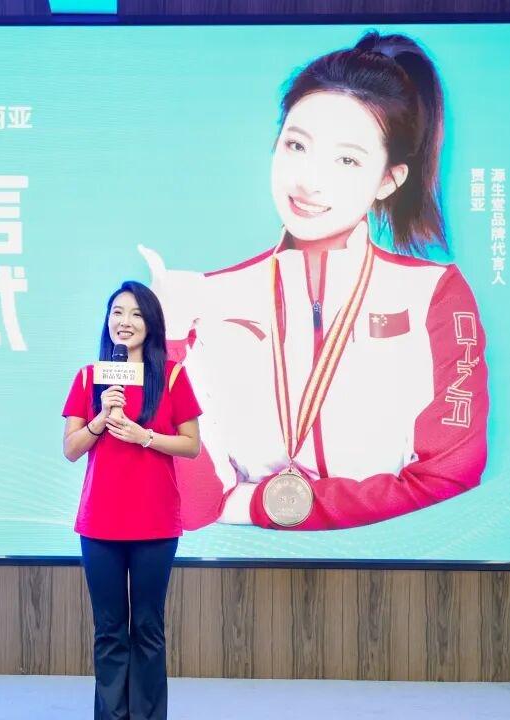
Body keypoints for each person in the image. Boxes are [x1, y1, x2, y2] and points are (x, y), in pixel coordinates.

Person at [140, 31, 489, 531]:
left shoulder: (435, 295)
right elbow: (193, 506)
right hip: (237, 574)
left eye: (346, 159)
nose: (307, 180)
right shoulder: (204, 300)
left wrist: (255, 505)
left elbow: (449, 476)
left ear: (389, 179)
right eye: (297, 145)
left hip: (397, 569)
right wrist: (166, 344)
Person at [62, 280, 202, 720]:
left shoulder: (172, 375)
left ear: (151, 323)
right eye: (117, 312)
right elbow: (71, 449)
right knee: (108, 629)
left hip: (155, 522)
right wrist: (101, 418)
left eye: (136, 314)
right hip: (100, 522)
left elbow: (191, 445)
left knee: (147, 626)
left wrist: (146, 437)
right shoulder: (89, 377)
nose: (125, 322)